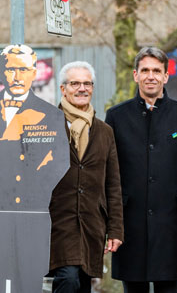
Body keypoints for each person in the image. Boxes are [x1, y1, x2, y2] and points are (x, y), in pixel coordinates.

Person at [0, 44, 69, 293]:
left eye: (24, 69)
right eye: (10, 69)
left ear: (34, 72)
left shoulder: (51, 116)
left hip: (31, 216)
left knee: (28, 285)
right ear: (0, 73)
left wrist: (29, 191)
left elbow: (58, 162)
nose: (17, 76)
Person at [105, 47, 177, 293]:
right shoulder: (116, 116)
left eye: (157, 71)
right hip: (130, 226)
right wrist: (111, 226)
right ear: (135, 75)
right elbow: (109, 174)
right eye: (145, 70)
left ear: (166, 77)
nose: (151, 76)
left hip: (172, 226)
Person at [47, 61, 124, 293]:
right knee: (68, 277)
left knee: (82, 283)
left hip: (92, 223)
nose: (82, 88)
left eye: (87, 83)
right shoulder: (45, 126)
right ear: (63, 89)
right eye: (75, 83)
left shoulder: (104, 131)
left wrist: (116, 229)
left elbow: (113, 183)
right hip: (58, 221)